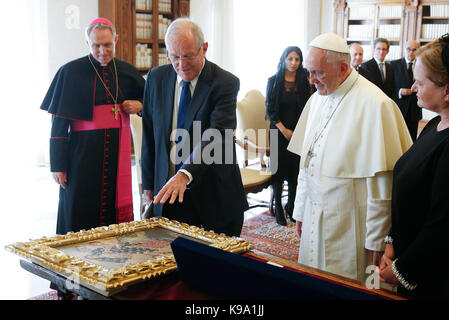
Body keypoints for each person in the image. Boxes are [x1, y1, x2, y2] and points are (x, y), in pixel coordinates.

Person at [287, 33, 412, 282]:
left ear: (343, 68)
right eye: (308, 72)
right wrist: (300, 212)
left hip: (350, 223)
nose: (311, 81)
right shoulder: (316, 100)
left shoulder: (375, 105)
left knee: (348, 285)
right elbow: (306, 163)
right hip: (313, 214)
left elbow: (382, 184)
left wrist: (377, 238)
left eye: (318, 73)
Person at [141, 18, 248, 237]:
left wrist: (184, 174)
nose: (181, 64)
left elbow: (217, 135)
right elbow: (149, 134)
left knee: (214, 268)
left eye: (188, 56)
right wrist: (148, 185)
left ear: (204, 48)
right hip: (168, 195)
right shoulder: (156, 78)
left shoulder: (224, 83)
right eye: (174, 57)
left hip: (213, 196)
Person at [40, 18, 145, 235]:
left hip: (117, 155)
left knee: (113, 206)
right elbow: (58, 124)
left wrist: (139, 105)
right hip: (81, 156)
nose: (102, 51)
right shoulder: (70, 72)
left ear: (115, 40)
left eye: (108, 45)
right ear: (88, 43)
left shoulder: (127, 71)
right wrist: (58, 164)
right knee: (79, 206)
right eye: (96, 45)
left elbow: (152, 104)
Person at [380, 35, 449, 299]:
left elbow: (442, 223)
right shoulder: (433, 125)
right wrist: (391, 245)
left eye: (420, 82)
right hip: (405, 252)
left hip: (432, 275)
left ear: (446, 89)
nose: (413, 87)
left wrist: (401, 269)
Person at [265, 46, 311, 226]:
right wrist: (284, 131)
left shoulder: (304, 82)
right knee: (278, 172)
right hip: (278, 132)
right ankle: (278, 210)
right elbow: (270, 110)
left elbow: (307, 109)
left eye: (297, 59)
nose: (293, 63)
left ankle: (291, 208)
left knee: (295, 172)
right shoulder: (273, 81)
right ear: (284, 59)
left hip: (298, 133)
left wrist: (297, 132)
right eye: (290, 58)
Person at [390, 40, 422, 141]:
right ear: (404, 49)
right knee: (397, 138)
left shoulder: (422, 65)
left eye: (414, 50)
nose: (411, 52)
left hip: (414, 109)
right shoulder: (393, 65)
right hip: (399, 108)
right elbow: (388, 88)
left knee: (412, 139)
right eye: (408, 49)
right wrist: (399, 91)